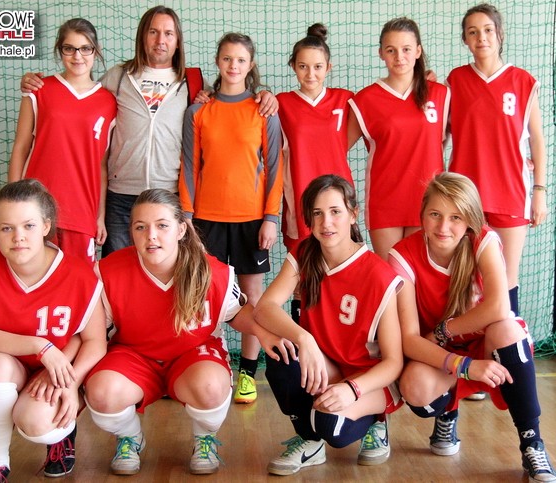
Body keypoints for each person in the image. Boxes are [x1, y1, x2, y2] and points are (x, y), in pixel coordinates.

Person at [22, 6, 278, 256]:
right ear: (142, 36)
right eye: (153, 32)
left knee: (163, 272)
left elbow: (229, 99)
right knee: (118, 272)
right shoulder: (118, 76)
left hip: (168, 195)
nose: (160, 40)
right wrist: (37, 83)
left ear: (178, 40)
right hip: (120, 196)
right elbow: (79, 94)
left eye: (168, 33)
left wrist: (264, 95)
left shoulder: (193, 81)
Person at [84, 189, 290, 476]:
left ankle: (205, 438)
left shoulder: (212, 271)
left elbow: (235, 312)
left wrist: (263, 332)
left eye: (162, 225)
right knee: (101, 392)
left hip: (193, 355)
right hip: (134, 355)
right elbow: (92, 334)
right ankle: (130, 437)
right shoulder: (108, 271)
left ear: (181, 229)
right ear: (131, 232)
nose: (151, 236)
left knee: (210, 387)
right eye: (140, 227)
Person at [388, 172, 556, 483]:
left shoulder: (483, 240)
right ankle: (448, 411)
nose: (443, 227)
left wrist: (443, 330)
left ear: (470, 219)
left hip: (484, 345)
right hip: (443, 356)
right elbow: (410, 340)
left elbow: (499, 308)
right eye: (435, 214)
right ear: (422, 214)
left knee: (507, 330)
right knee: (414, 387)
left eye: (455, 217)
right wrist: (463, 365)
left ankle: (532, 442)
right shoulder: (402, 255)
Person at [254, 175, 404, 476]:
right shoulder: (305, 253)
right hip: (328, 365)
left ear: (353, 214)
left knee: (330, 426)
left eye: (335, 211)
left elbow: (393, 363)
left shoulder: (379, 274)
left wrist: (352, 389)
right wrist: (304, 339)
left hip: (370, 379)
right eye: (317, 213)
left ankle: (376, 422)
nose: (326, 223)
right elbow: (264, 308)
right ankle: (310, 443)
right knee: (282, 356)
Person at [0, 179, 107, 482]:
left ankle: (61, 437)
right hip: (11, 363)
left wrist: (70, 381)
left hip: (58, 369)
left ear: (45, 226)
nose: (18, 237)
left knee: (36, 422)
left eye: (28, 226)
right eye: (7, 228)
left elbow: (95, 340)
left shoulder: (79, 273)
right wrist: (41, 347)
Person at [179, 32, 283, 406]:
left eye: (240, 60)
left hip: (251, 220)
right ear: (218, 62)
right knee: (206, 296)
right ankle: (213, 364)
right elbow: (189, 167)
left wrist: (271, 217)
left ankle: (247, 374)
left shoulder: (264, 110)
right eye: (227, 59)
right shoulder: (198, 111)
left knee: (252, 297)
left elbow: (275, 168)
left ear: (250, 65)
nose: (233, 66)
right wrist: (186, 217)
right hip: (206, 220)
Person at [446, 3, 548, 317]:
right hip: (466, 196)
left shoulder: (523, 81)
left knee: (505, 277)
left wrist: (540, 192)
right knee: (466, 278)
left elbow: (537, 140)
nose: (482, 38)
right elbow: (438, 133)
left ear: (500, 34)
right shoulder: (455, 81)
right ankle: (468, 342)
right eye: (473, 32)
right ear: (465, 39)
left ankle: (509, 341)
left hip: (510, 191)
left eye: (488, 30)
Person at [9, 18, 117, 264]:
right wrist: (12, 202)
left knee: (79, 281)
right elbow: (21, 147)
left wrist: (99, 216)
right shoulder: (38, 89)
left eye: (85, 48)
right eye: (69, 48)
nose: (78, 56)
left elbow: (101, 165)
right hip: (36, 208)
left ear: (96, 51)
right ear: (60, 50)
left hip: (82, 213)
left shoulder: (109, 102)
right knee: (36, 279)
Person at [347, 17, 448, 261]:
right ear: (381, 53)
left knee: (422, 276)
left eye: (406, 49)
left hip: (429, 201)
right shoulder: (365, 100)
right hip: (385, 202)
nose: (399, 57)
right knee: (391, 278)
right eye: (391, 50)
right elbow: (335, 149)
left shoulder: (441, 94)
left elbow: (471, 134)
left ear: (418, 51)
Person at [276, 23, 354, 324]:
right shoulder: (281, 104)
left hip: (338, 205)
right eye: (303, 66)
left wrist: (423, 78)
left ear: (328, 67)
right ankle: (302, 339)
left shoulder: (346, 100)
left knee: (340, 274)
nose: (311, 74)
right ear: (293, 67)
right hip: (301, 203)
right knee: (303, 278)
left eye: (318, 67)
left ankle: (336, 339)